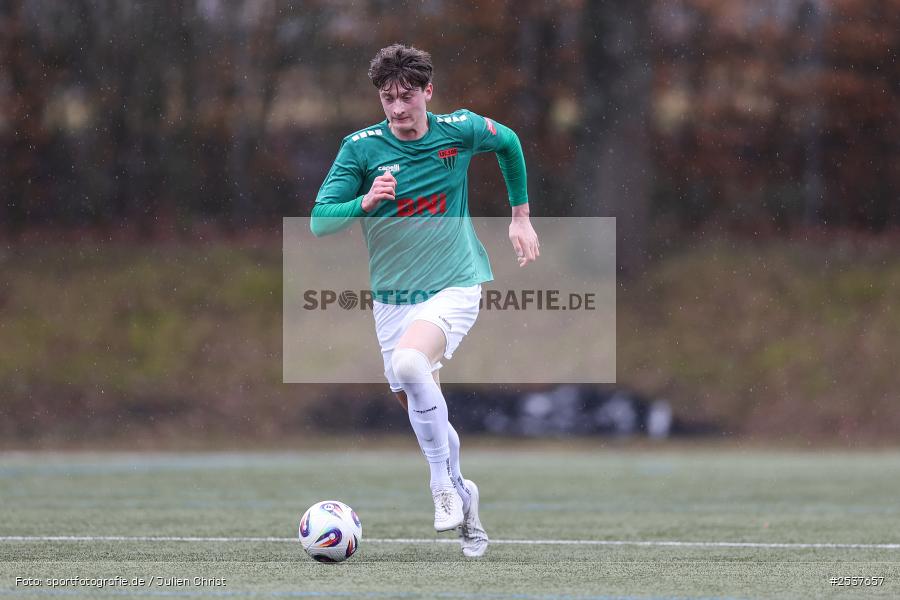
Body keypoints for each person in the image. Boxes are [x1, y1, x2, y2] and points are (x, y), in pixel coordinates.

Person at [310, 43, 539, 558]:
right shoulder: (360, 149)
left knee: (411, 363)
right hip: (393, 298)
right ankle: (464, 492)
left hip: (456, 282)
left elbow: (510, 143)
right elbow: (321, 221)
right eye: (387, 98)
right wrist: (365, 201)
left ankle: (441, 485)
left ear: (427, 93)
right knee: (417, 398)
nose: (397, 109)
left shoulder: (458, 130)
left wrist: (520, 214)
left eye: (407, 97)